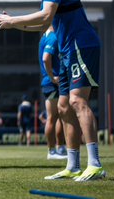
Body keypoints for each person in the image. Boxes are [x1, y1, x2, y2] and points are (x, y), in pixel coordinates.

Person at [0, 0, 104, 181]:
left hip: (81, 45)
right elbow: (45, 25)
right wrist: (13, 25)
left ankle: (95, 164)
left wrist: (13, 20)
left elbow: (44, 16)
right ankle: (73, 164)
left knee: (78, 102)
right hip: (67, 48)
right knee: (63, 106)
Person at [38, 25, 67, 160]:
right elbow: (45, 58)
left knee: (60, 116)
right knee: (53, 117)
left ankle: (60, 148)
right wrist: (52, 77)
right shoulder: (53, 37)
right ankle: (52, 151)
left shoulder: (44, 37)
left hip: (52, 82)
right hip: (52, 83)